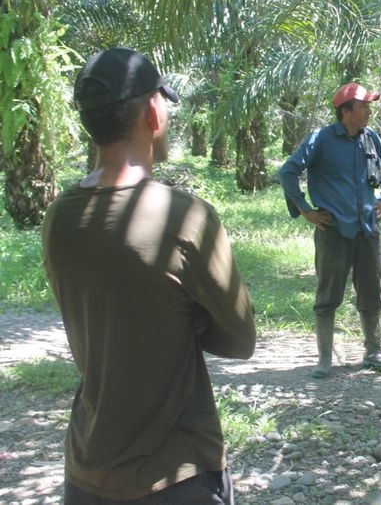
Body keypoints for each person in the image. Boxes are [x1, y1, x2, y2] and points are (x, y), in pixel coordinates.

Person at [42, 47, 256, 503]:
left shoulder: (58, 218)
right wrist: (188, 318)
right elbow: (240, 339)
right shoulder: (186, 216)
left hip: (86, 472)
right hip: (177, 474)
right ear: (153, 113)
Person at [279, 82, 381, 379]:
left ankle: (373, 351)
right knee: (328, 294)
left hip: (367, 227)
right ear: (346, 111)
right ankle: (324, 359)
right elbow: (289, 171)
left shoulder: (371, 138)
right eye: (363, 107)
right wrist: (304, 210)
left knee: (372, 289)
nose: (369, 112)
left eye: (369, 106)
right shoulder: (320, 139)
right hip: (333, 228)